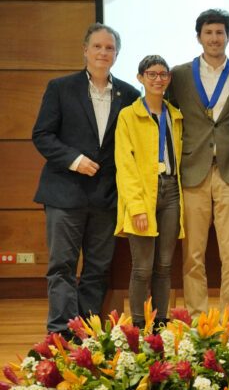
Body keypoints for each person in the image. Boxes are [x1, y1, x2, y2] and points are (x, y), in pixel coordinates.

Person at [32, 23, 140, 336]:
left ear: (116, 55)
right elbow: (42, 135)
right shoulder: (61, 88)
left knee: (97, 269)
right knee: (62, 267)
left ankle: (86, 334)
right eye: (97, 47)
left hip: (106, 198)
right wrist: (74, 161)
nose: (103, 52)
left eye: (109, 48)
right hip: (64, 194)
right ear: (85, 50)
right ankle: (61, 334)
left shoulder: (130, 95)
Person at [167, 9, 229, 316]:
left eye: (220, 32)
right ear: (199, 37)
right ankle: (197, 319)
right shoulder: (179, 75)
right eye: (209, 32)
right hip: (193, 172)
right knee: (193, 254)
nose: (214, 38)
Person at [114, 55, 184, 327]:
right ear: (140, 78)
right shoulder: (128, 116)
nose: (158, 79)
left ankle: (161, 323)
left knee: (164, 267)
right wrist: (137, 208)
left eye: (163, 74)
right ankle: (139, 326)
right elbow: (125, 165)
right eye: (152, 74)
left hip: (171, 193)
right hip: (142, 195)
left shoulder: (175, 115)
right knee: (142, 268)